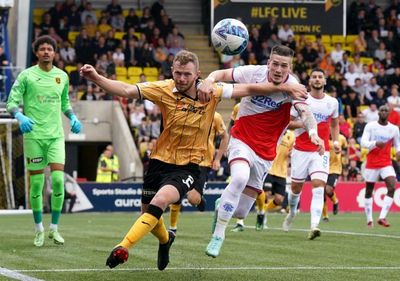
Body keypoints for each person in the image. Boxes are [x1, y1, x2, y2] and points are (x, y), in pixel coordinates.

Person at [80, 49, 308, 270]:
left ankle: (123, 247)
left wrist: (287, 87)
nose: (181, 78)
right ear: (172, 70)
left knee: (161, 200)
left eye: (187, 74)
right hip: (159, 161)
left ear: (197, 74)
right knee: (148, 214)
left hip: (190, 165)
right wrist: (96, 77)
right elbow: (127, 89)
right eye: (177, 73)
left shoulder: (212, 92)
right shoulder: (163, 89)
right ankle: (165, 239)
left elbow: (250, 87)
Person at [198, 45, 323, 258]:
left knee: (240, 211)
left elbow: (306, 112)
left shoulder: (294, 86)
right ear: (268, 63)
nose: (278, 69)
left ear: (290, 68)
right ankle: (219, 235)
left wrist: (313, 132)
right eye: (275, 64)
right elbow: (223, 74)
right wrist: (210, 79)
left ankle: (222, 205)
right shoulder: (252, 72)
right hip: (241, 140)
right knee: (239, 178)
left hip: (265, 153)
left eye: (284, 66)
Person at [6, 35, 82, 247]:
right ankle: (39, 229)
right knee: (38, 183)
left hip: (56, 136)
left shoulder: (62, 76)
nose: (46, 52)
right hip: (34, 136)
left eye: (50, 49)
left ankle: (54, 229)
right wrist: (19, 116)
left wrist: (73, 117)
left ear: (55, 53)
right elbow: (12, 101)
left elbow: (65, 102)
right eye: (42, 49)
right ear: (37, 53)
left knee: (58, 181)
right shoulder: (26, 76)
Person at [282, 68, 340, 240]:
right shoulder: (301, 99)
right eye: (314, 77)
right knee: (295, 188)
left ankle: (314, 225)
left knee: (318, 185)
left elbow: (335, 124)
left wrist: (335, 141)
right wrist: (304, 123)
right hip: (300, 150)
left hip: (321, 151)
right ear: (309, 81)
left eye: (320, 77)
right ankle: (292, 212)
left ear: (325, 81)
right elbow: (288, 122)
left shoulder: (333, 103)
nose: (317, 79)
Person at [169, 111, 229, 234]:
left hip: (203, 163)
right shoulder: (187, 111)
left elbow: (225, 137)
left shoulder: (215, 116)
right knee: (176, 192)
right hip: (184, 160)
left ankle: (199, 199)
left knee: (193, 199)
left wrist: (217, 159)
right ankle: (172, 228)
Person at [360, 105, 400, 227]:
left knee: (392, 187)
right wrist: (375, 143)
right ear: (378, 113)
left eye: (385, 111)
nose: (383, 112)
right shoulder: (370, 126)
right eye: (381, 110)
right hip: (372, 163)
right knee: (368, 191)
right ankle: (369, 219)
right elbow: (363, 143)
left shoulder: (393, 129)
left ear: (388, 114)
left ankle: (382, 217)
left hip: (386, 162)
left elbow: (398, 144)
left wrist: (398, 152)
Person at [322, 133, 347, 221]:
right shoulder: (322, 138)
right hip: (323, 167)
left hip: (335, 168)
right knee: (321, 192)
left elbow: (346, 149)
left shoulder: (341, 138)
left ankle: (335, 201)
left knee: (328, 190)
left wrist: (345, 159)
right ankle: (325, 216)